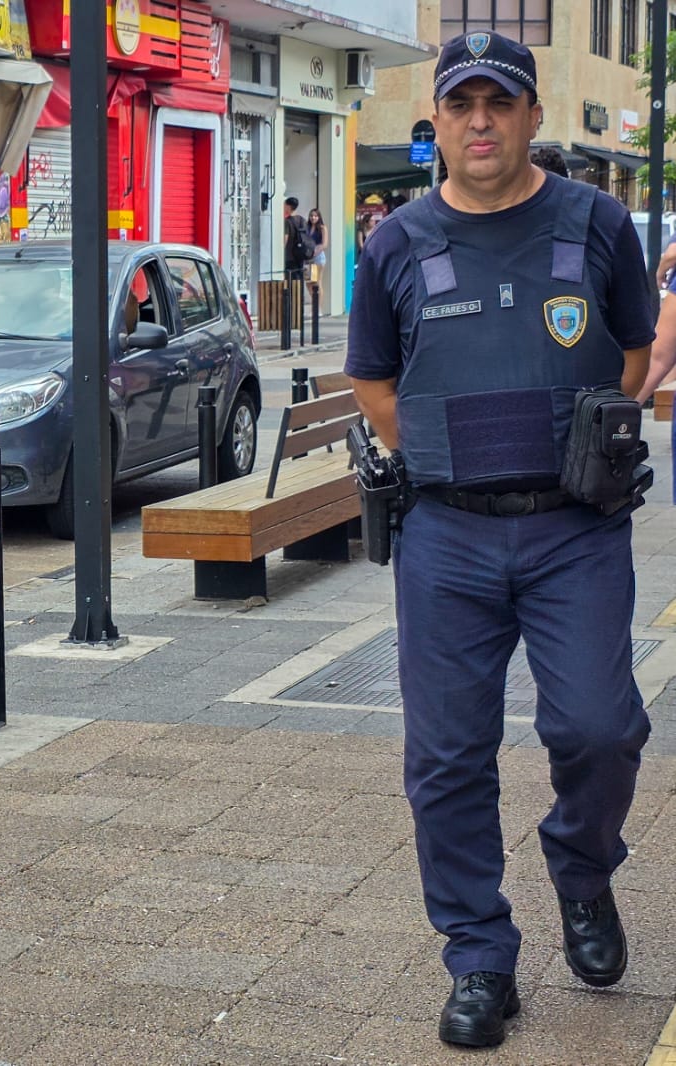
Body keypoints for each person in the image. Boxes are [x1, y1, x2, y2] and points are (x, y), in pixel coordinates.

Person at [346, 31, 654, 1050]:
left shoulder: (600, 224)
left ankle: (581, 869)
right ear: (436, 122)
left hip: (575, 532)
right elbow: (374, 381)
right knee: (444, 759)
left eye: (501, 102)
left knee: (603, 728)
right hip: (447, 537)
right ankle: (480, 958)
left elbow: (636, 346)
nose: (481, 120)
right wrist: (444, 459)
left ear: (529, 117)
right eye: (462, 103)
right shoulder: (394, 244)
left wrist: (599, 435)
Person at [306, 208, 329, 312]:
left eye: (315, 216)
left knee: (317, 282)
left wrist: (315, 251)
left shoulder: (322, 228)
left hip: (318, 257)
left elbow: (324, 244)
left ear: (319, 217)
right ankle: (315, 302)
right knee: (309, 282)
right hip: (308, 258)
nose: (313, 218)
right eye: (311, 216)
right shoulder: (307, 227)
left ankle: (317, 309)